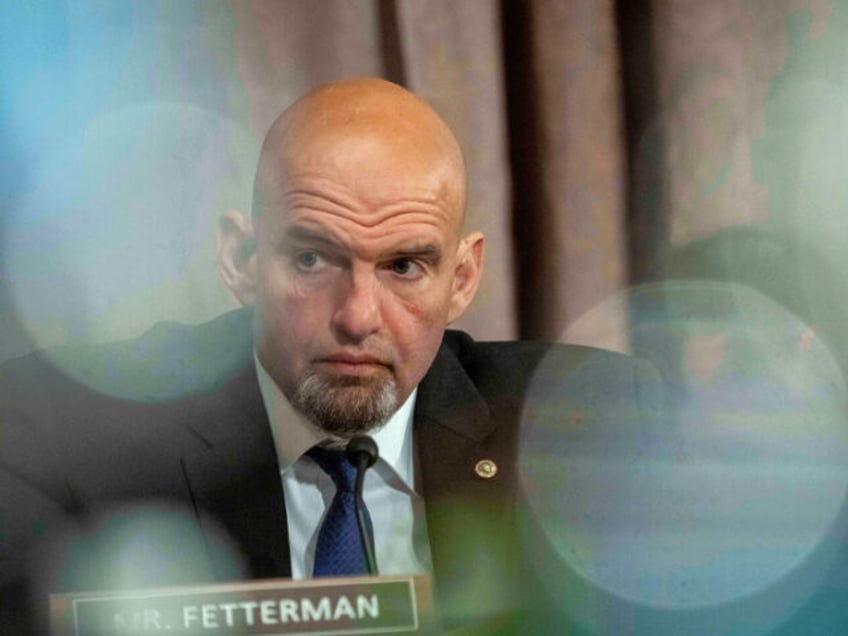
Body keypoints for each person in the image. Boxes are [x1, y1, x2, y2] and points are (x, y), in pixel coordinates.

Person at [0, 78, 660, 634]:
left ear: (461, 279)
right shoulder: (60, 435)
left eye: (404, 266)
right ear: (242, 260)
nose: (356, 317)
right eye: (312, 259)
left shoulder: (590, 422)